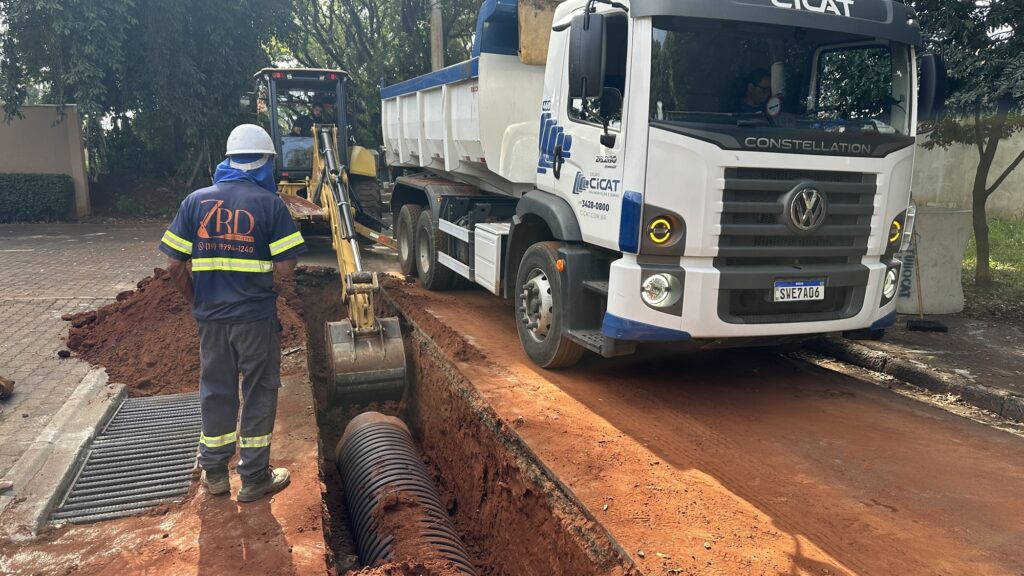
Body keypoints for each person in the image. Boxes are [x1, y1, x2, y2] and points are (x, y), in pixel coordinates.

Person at [159, 124, 307, 502]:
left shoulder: (195, 201)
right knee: (259, 391)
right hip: (255, 321)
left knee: (216, 391)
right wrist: (265, 282)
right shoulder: (269, 204)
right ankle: (254, 478)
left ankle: (215, 474)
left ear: (228, 160)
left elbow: (175, 266)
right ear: (265, 163)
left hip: (211, 321)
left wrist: (197, 300)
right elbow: (287, 267)